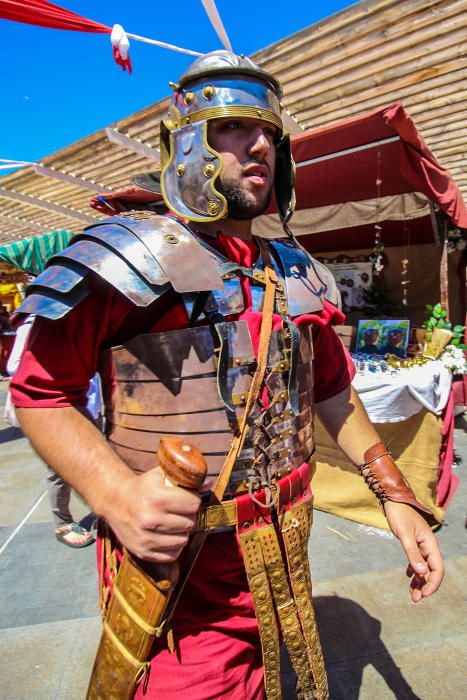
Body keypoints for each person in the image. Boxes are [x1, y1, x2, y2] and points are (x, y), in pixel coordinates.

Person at [10, 51, 443, 699]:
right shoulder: (126, 255)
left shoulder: (296, 269)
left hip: (286, 539)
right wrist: (115, 496)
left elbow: (328, 388)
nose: (260, 143)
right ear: (185, 143)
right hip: (179, 568)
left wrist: (392, 492)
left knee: (278, 677)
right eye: (233, 127)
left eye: (268, 131)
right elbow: (39, 388)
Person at [6, 315, 96, 548]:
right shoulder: (35, 323)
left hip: (91, 403)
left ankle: (103, 507)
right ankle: (62, 522)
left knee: (96, 459)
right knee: (59, 469)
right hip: (58, 409)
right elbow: (15, 365)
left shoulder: (88, 316)